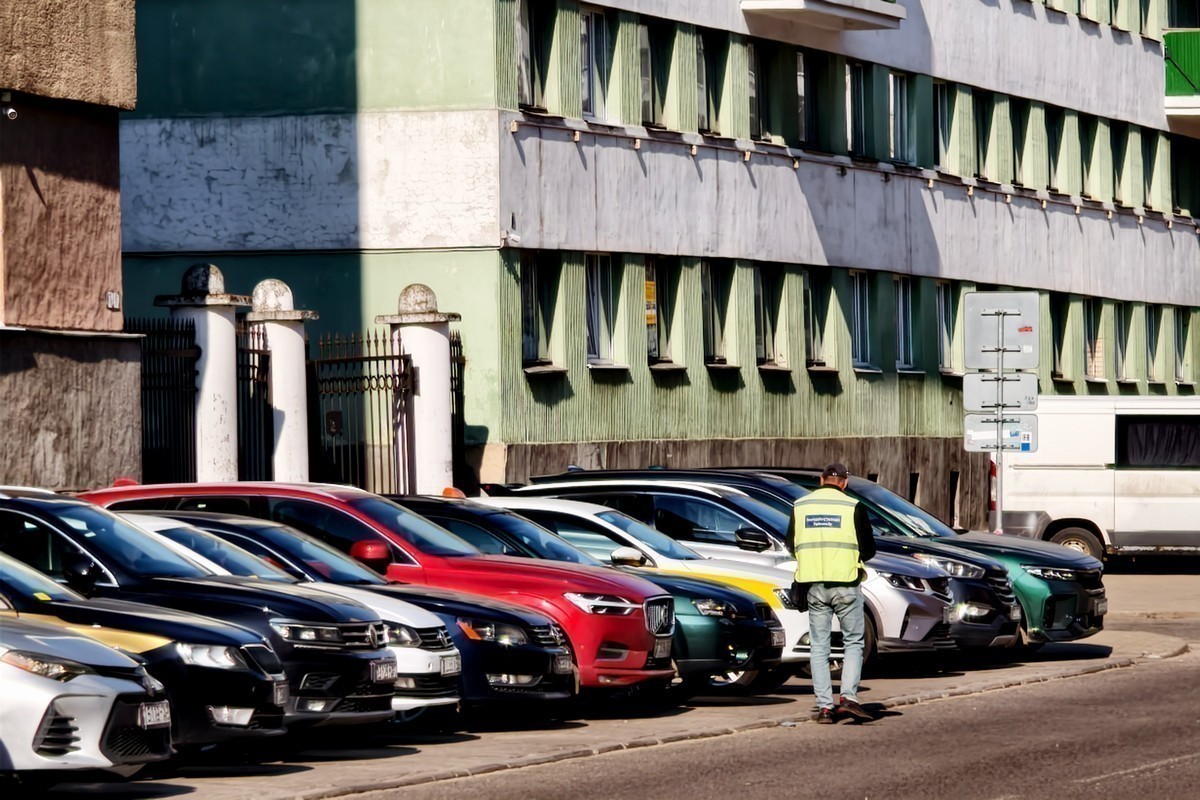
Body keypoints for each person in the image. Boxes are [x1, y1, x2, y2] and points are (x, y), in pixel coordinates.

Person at [786, 462, 876, 724]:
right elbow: (868, 549)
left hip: (813, 583)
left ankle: (825, 708)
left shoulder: (801, 506)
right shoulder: (853, 506)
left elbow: (792, 544)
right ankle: (848, 699)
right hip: (846, 582)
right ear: (845, 483)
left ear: (821, 480)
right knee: (853, 643)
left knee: (819, 647)